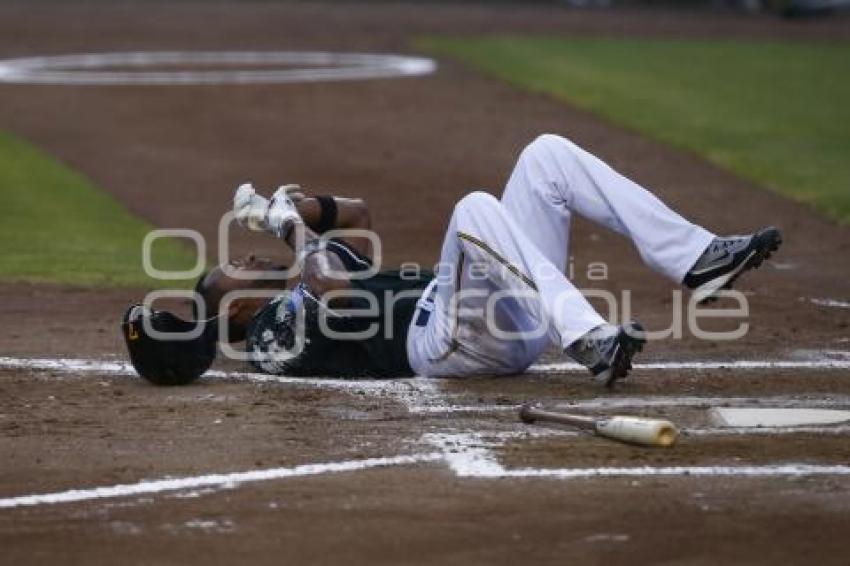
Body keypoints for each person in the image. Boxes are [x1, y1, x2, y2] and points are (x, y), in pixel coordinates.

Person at [125, 134, 781, 387]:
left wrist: (297, 210)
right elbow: (326, 283)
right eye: (231, 271)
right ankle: (588, 338)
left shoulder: (300, 274)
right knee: (474, 210)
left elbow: (357, 216)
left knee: (545, 157)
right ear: (232, 310)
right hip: (443, 343)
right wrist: (291, 229)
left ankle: (696, 259)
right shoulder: (267, 337)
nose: (241, 257)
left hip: (486, 316)